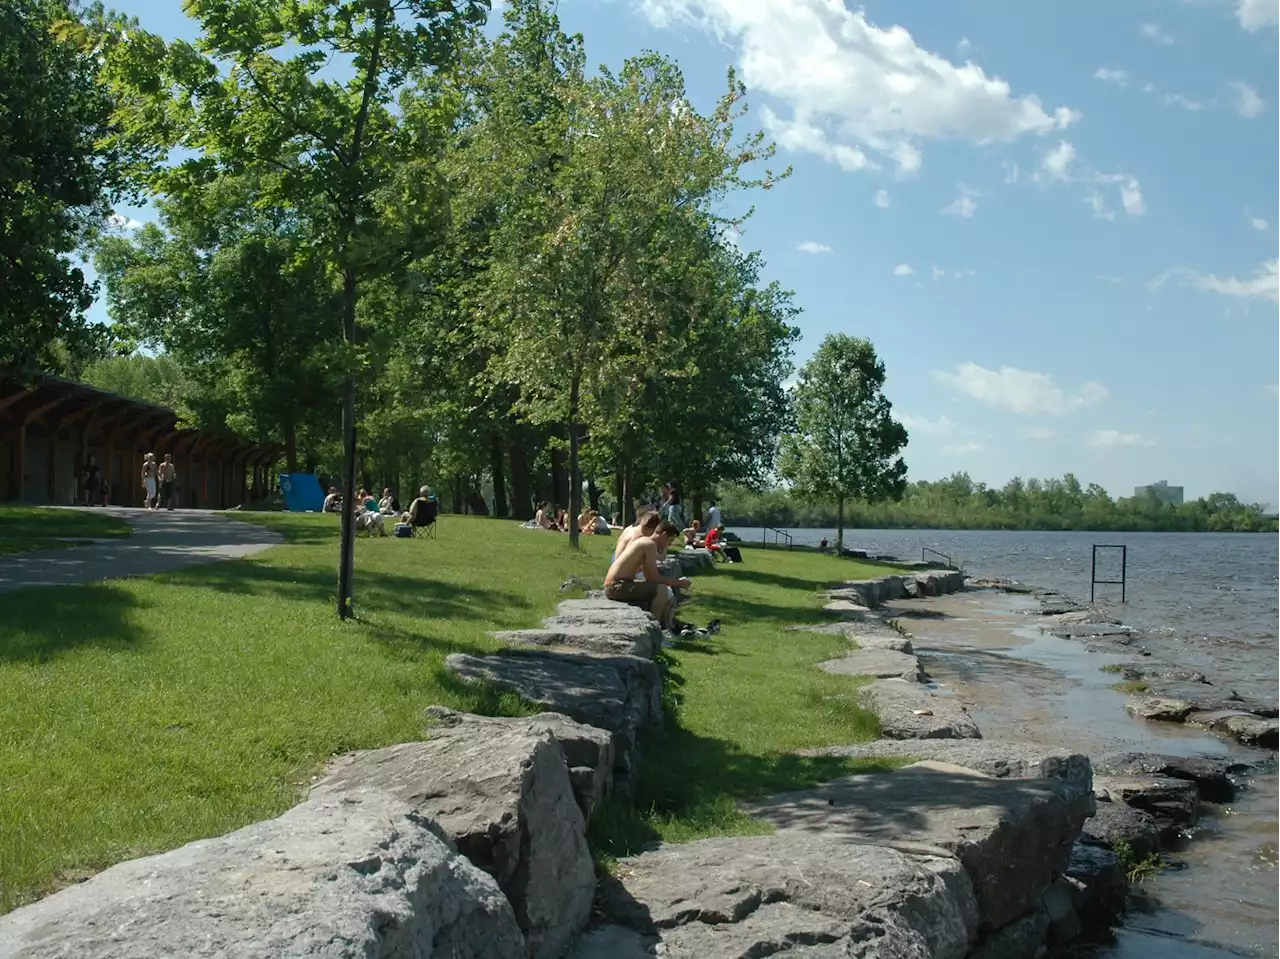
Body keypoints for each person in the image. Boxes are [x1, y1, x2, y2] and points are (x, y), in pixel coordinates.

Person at [603, 520, 691, 631]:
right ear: (663, 535)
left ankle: (665, 628)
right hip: (615, 586)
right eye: (670, 540)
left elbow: (650, 578)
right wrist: (679, 583)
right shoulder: (649, 545)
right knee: (662, 590)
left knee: (662, 589)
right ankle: (653, 630)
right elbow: (655, 578)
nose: (669, 545)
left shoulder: (645, 542)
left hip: (616, 585)